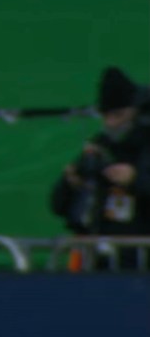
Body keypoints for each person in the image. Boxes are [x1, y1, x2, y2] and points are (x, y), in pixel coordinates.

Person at [51, 66, 150, 270]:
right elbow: (58, 206)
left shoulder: (144, 148)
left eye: (118, 115)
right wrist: (70, 184)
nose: (111, 123)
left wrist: (135, 180)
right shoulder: (100, 147)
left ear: (135, 112)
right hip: (97, 259)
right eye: (106, 116)